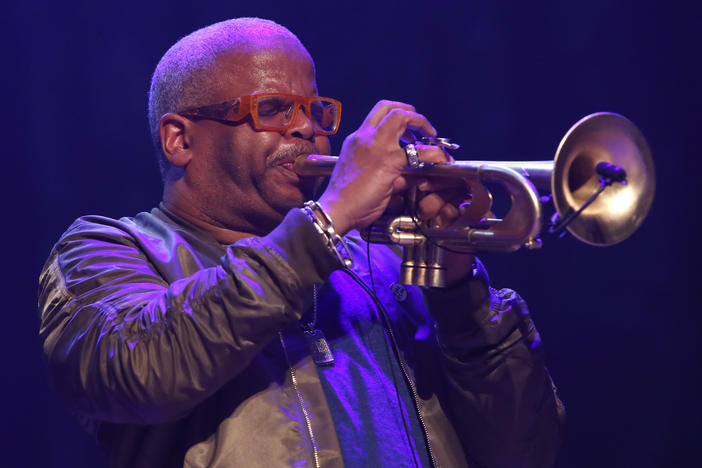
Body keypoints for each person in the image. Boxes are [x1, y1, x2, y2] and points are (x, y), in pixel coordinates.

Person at [38, 18, 564, 468]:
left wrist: (457, 287)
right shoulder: (108, 249)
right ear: (180, 139)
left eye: (315, 112)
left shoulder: (386, 262)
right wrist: (326, 221)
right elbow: (140, 372)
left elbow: (524, 450)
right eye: (274, 109)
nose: (307, 130)